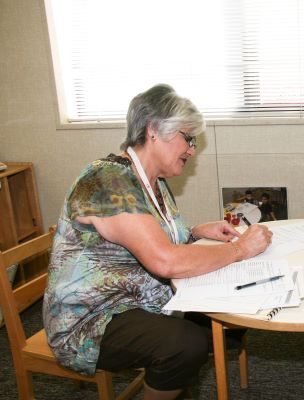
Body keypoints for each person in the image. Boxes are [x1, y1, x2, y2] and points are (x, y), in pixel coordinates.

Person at [43, 84, 272, 400]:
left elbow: (152, 238)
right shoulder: (106, 180)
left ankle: (173, 380)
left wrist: (195, 233)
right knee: (186, 344)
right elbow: (163, 261)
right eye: (187, 139)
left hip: (141, 301)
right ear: (153, 130)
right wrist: (239, 249)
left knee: (235, 314)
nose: (192, 149)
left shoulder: (153, 183)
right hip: (92, 317)